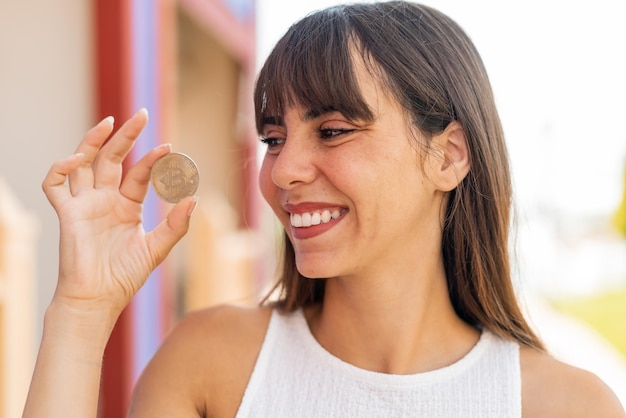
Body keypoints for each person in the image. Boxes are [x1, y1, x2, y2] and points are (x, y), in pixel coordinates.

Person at [23, 2, 625, 417]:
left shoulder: (565, 405)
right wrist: (81, 310)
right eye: (274, 138)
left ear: (449, 157)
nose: (283, 171)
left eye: (333, 131)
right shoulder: (211, 363)